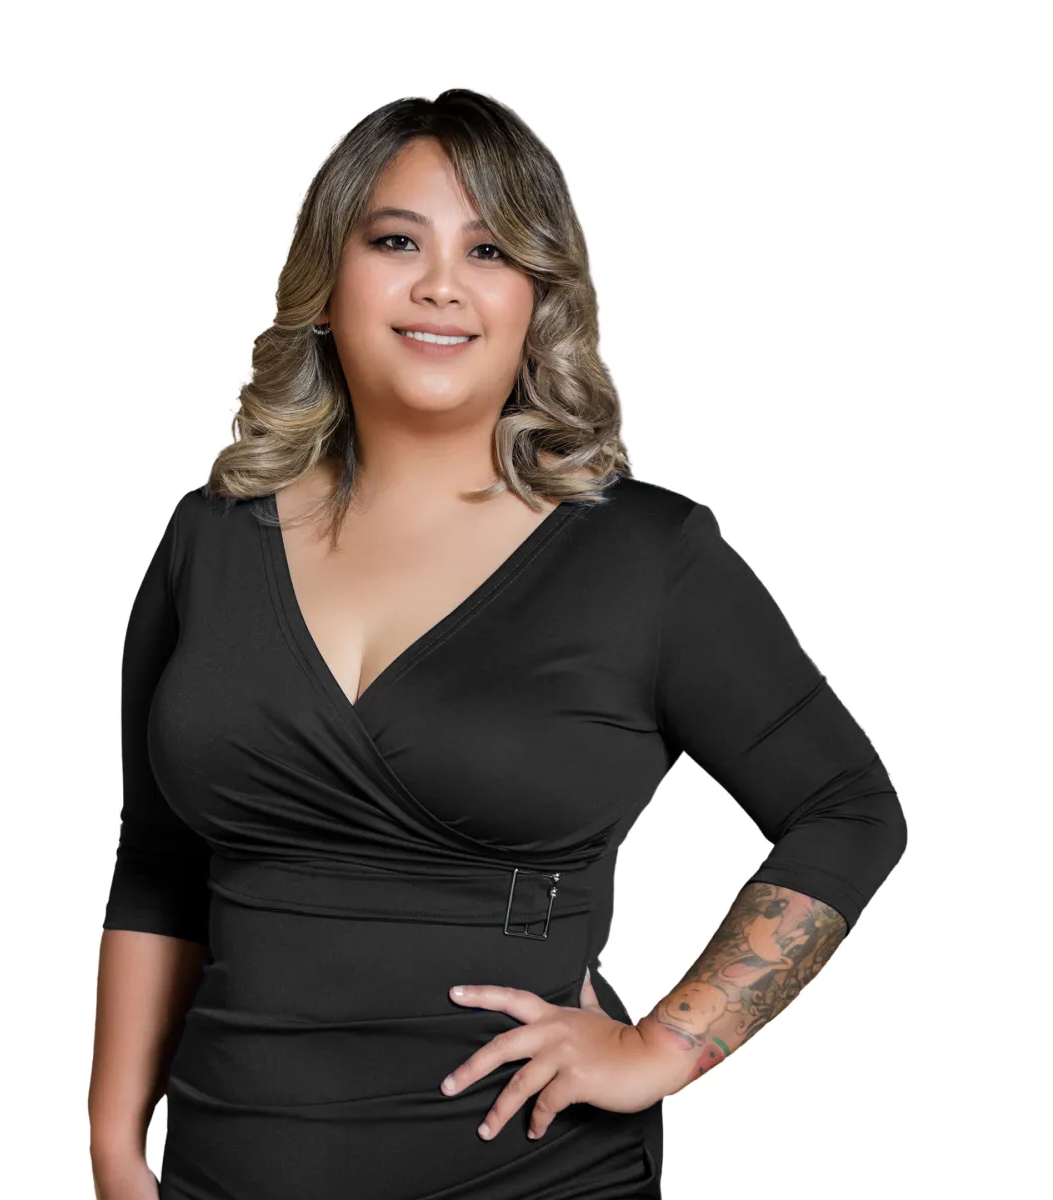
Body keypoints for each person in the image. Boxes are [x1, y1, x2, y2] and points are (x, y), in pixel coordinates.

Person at [88, 89, 907, 1200]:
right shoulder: (211, 538)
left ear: (538, 297)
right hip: (227, 1165)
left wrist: (663, 1048)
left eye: (489, 250)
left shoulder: (645, 556)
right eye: (396, 242)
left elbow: (848, 809)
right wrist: (113, 1141)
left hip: (531, 1172)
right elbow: (159, 861)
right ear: (327, 281)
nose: (441, 284)